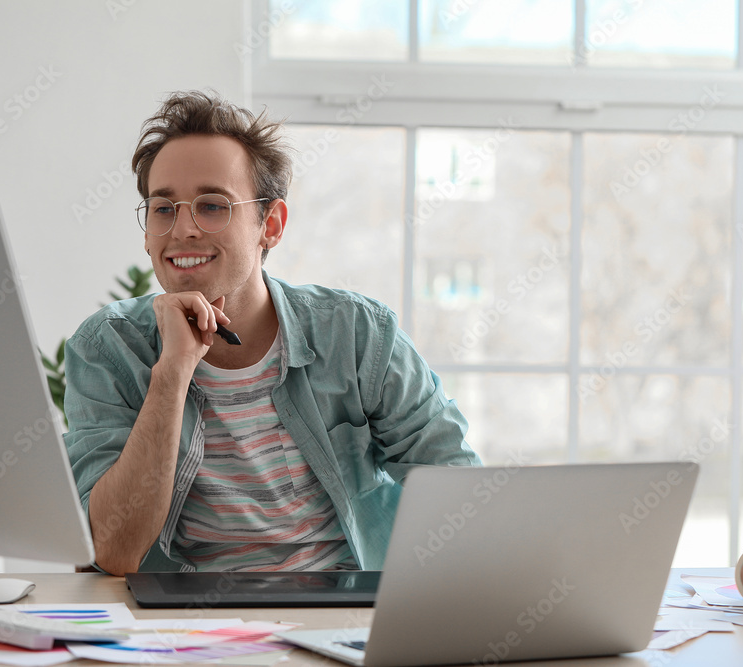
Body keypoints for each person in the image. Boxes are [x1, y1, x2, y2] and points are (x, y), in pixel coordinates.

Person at [63, 90, 481, 576]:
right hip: (176, 628)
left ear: (271, 224)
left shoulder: (357, 333)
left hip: (336, 613)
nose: (184, 230)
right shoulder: (107, 348)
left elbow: (459, 492)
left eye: (212, 205)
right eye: (164, 208)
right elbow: (115, 550)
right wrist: (173, 373)